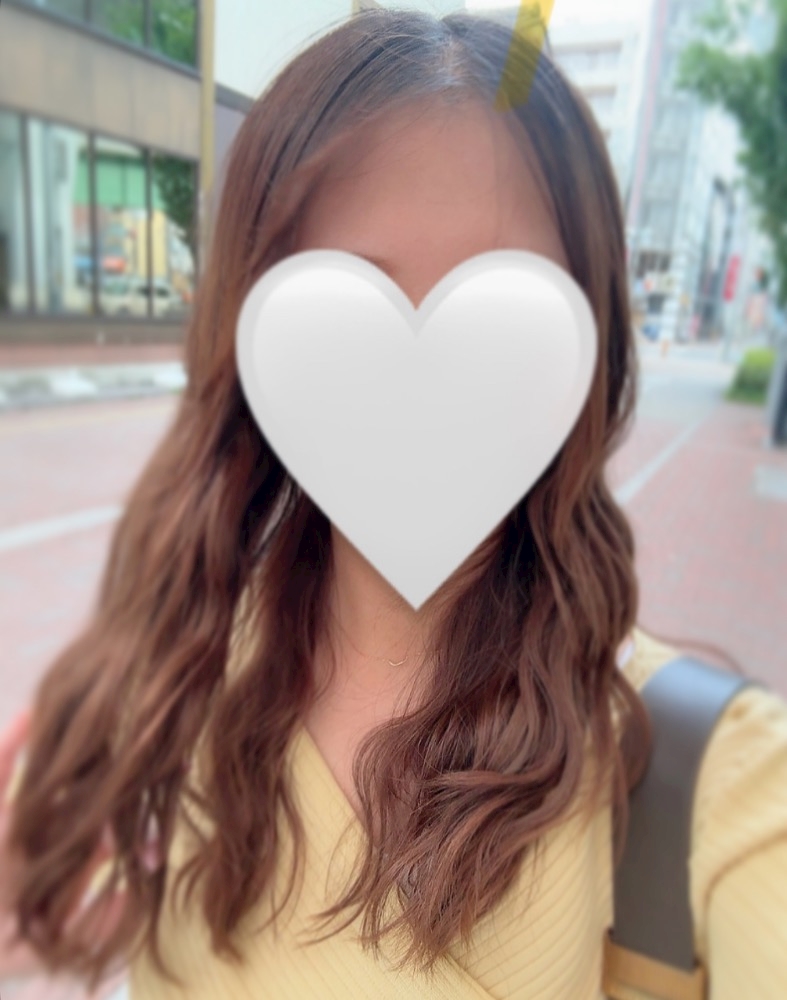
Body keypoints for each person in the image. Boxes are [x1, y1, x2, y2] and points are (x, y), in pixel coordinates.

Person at [2, 9, 786, 1000]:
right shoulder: (171, 674)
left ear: (589, 351)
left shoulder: (706, 776)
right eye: (346, 305)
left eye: (503, 313)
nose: (425, 384)